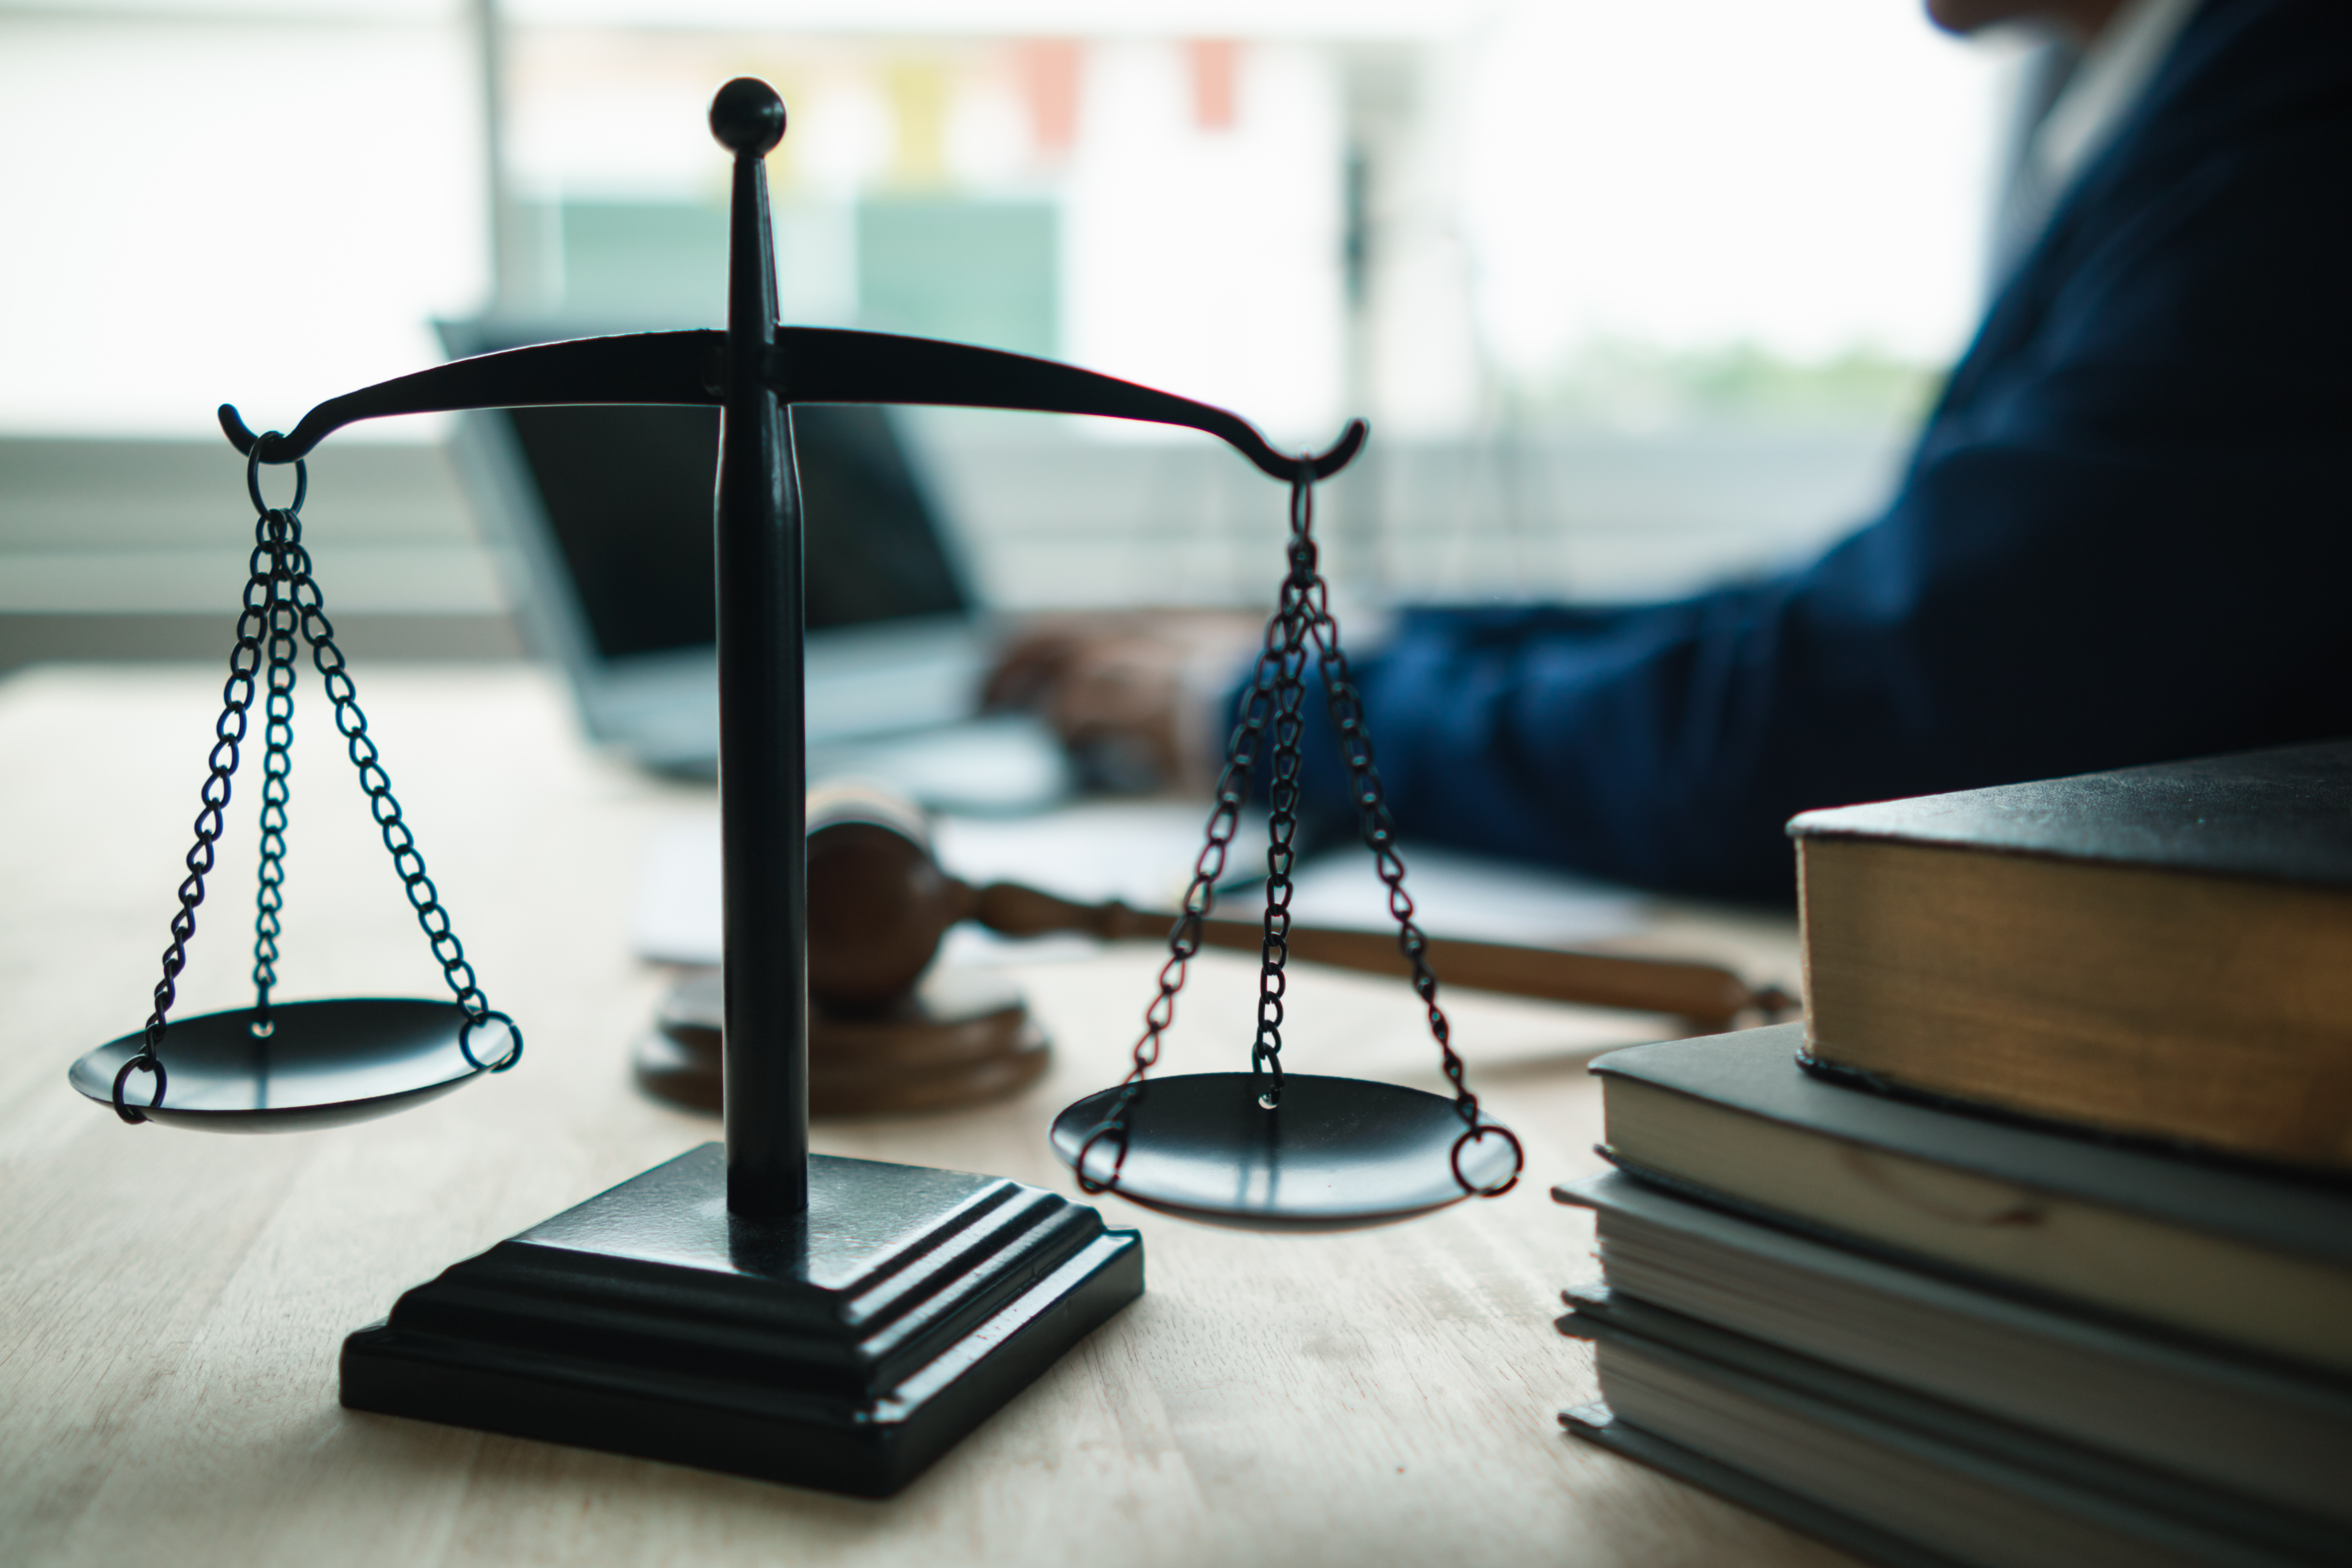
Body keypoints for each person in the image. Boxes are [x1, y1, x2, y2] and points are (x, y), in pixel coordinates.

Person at [987, 0, 2352, 903]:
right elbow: (1872, 612)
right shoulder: (2152, 90)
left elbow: (1889, 709)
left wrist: (1281, 712)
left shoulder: (2292, 103)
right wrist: (1372, 643)